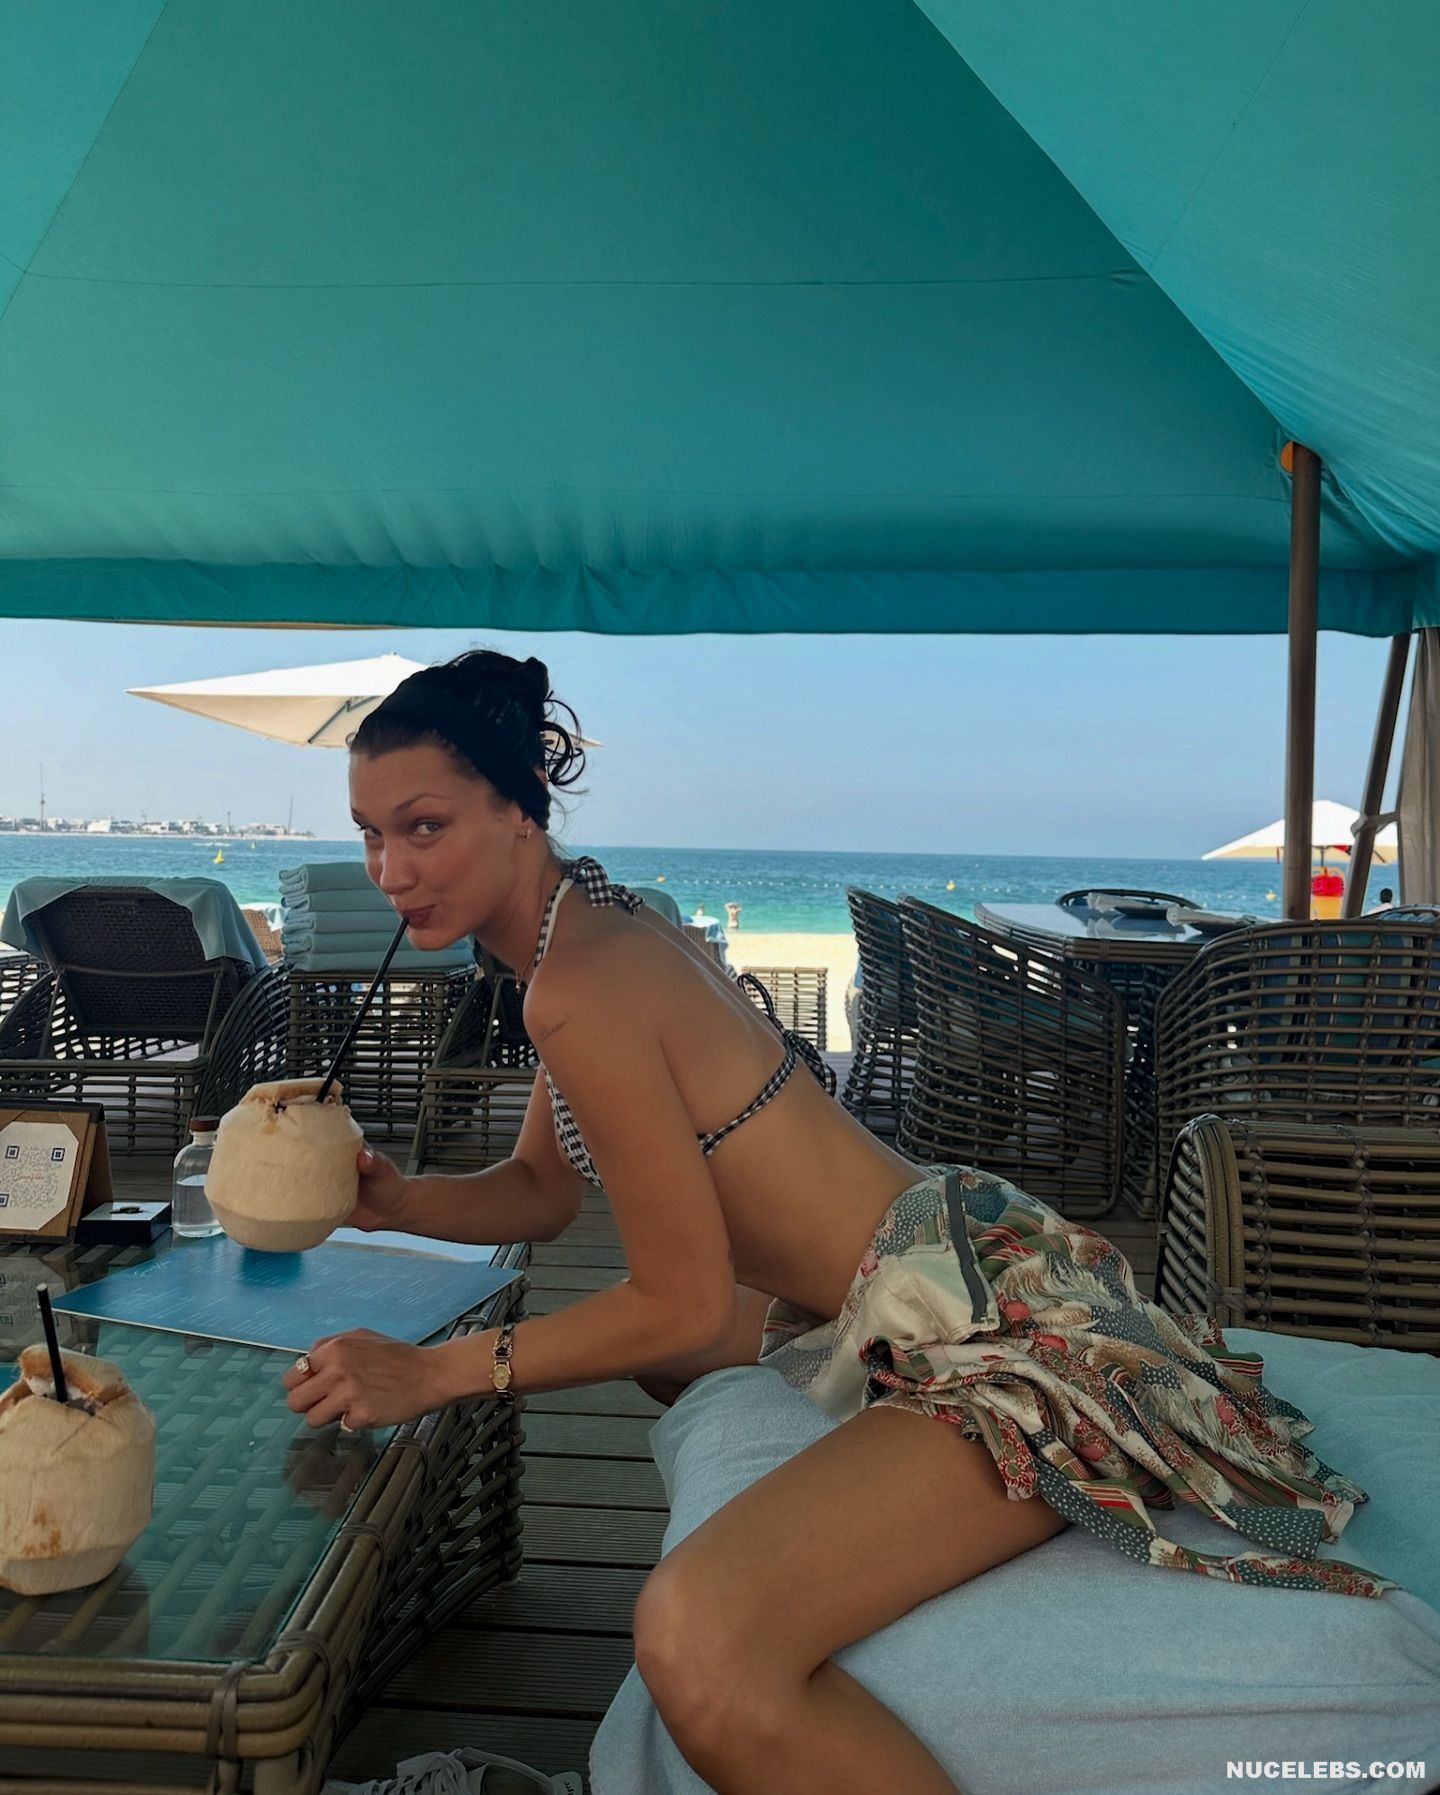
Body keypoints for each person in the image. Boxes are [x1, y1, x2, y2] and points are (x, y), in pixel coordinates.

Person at [288, 650, 1392, 1795]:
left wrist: (434, 1372)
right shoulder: (591, 927)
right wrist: (398, 1198)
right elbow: (544, 1191)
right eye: (370, 835)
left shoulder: (579, 986)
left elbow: (682, 1302)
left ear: (519, 810)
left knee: (699, 1639)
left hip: (980, 1329)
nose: (390, 870)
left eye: (424, 827)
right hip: (951, 1251)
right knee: (664, 1368)